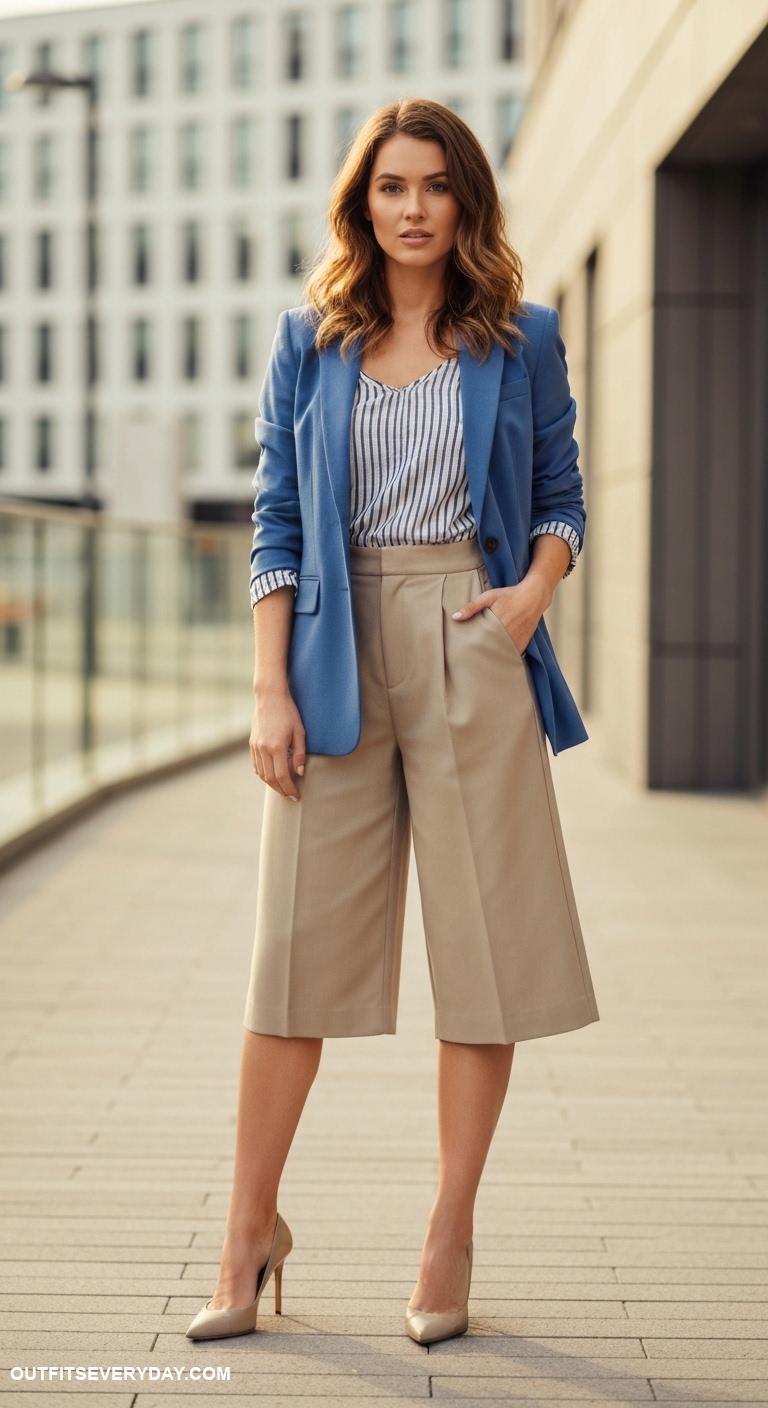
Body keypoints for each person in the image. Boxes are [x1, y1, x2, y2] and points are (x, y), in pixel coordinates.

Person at [186, 97, 600, 1348]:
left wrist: (529, 598)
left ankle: (449, 1228)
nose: (412, 208)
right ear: (362, 206)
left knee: (486, 958)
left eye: (434, 186)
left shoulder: (521, 337)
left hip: (472, 635)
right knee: (291, 961)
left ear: (466, 199)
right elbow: (273, 521)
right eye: (389, 188)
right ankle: (248, 1233)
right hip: (330, 648)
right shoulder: (307, 342)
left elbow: (561, 498)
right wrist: (268, 689)